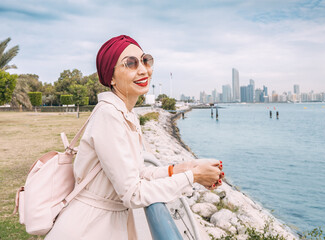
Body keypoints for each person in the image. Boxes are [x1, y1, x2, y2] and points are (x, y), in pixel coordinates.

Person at [45, 35, 224, 240]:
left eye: (145, 60)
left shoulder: (126, 114)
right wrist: (193, 177)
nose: (143, 69)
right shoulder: (109, 115)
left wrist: (188, 167)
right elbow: (134, 193)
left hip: (104, 224)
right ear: (110, 77)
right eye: (130, 63)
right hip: (87, 228)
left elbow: (138, 173)